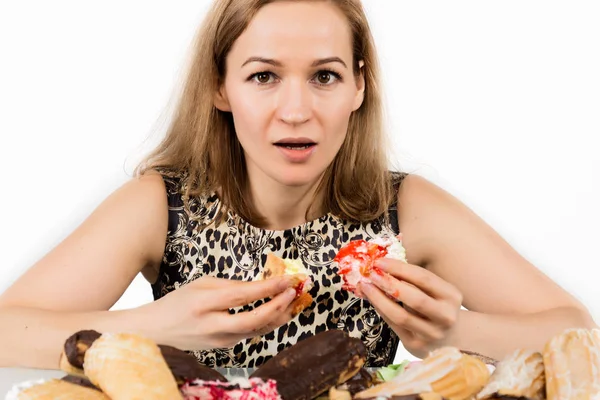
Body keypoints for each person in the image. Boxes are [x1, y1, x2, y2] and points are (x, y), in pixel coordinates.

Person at [0, 0, 595, 370]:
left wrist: (452, 332)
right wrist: (153, 326)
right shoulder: (164, 204)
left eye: (325, 76)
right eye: (263, 76)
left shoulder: (403, 209)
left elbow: (575, 332)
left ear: (359, 88)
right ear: (220, 88)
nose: (295, 111)